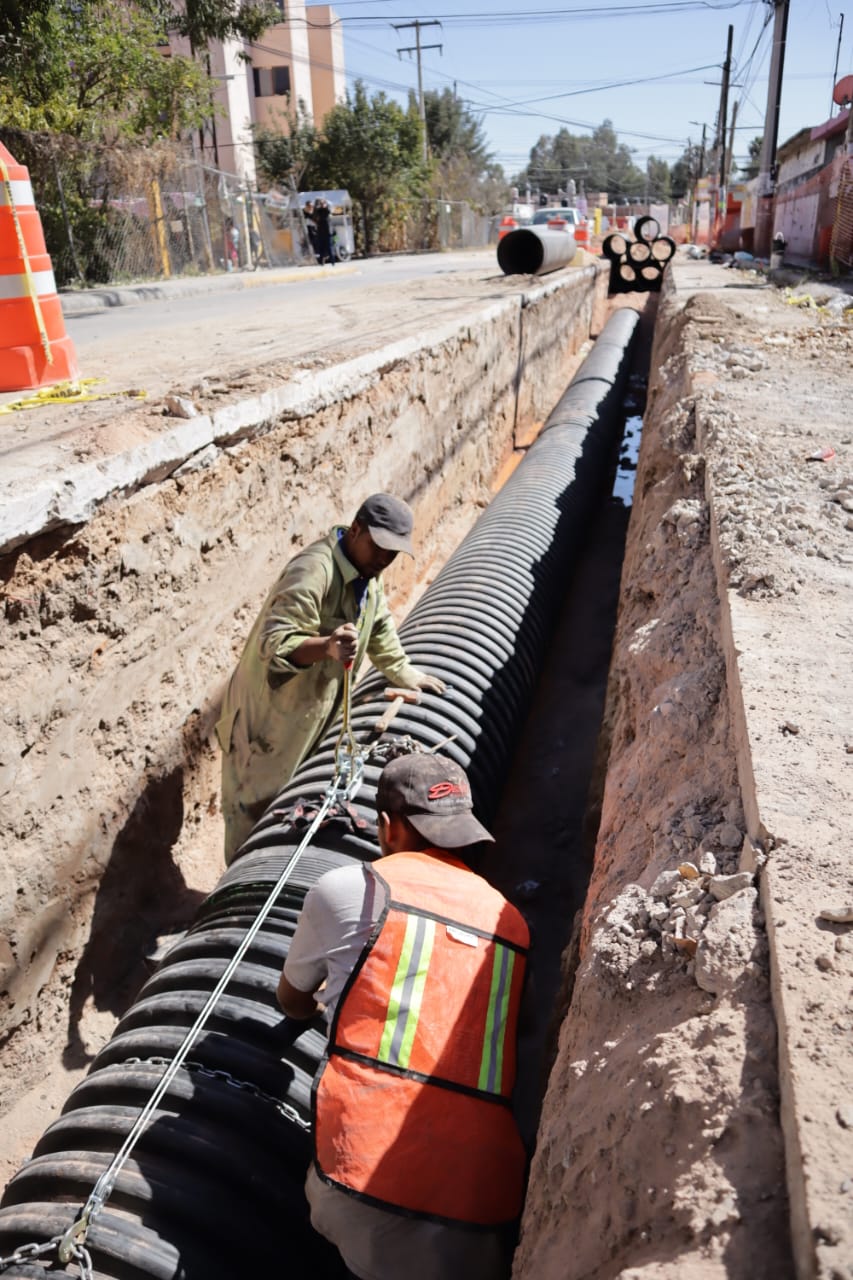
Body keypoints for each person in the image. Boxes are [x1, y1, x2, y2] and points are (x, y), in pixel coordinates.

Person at [278, 752, 531, 1280]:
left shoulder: (349, 888)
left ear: (387, 827)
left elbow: (292, 1000)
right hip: (486, 1195)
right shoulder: (511, 921)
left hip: (362, 1180)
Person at [216, 494, 445, 863]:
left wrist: (404, 671)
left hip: (309, 718)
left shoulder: (367, 574)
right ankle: (237, 887)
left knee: (289, 803)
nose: (385, 558)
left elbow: (379, 624)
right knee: (252, 814)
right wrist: (326, 646)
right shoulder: (314, 571)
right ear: (355, 530)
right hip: (266, 727)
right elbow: (273, 645)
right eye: (379, 547)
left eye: (393, 552)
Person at [313, 198, 335, 265]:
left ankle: (332, 261)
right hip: (320, 231)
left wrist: (325, 205)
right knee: (321, 247)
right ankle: (322, 261)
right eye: (321, 203)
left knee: (329, 247)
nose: (322, 204)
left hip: (328, 231)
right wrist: (317, 206)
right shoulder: (318, 211)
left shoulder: (327, 210)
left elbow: (328, 210)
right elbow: (314, 215)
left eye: (323, 203)